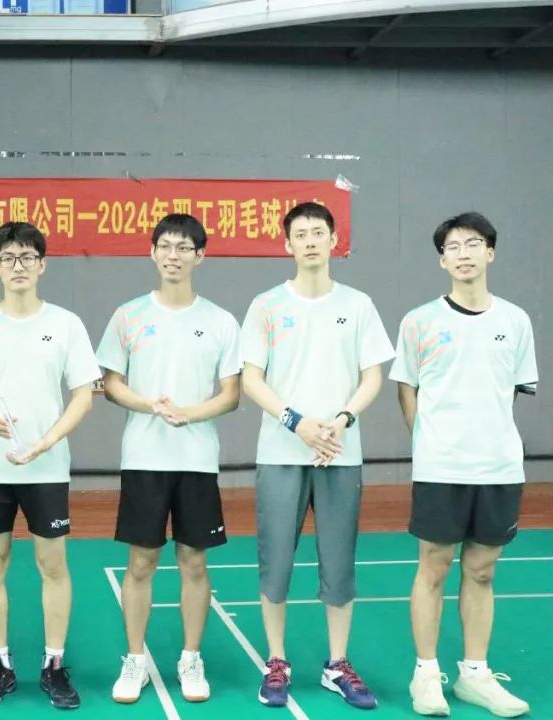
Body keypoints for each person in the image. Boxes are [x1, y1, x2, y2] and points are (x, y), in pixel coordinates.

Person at [240, 202, 394, 709]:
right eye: (300, 234)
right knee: (276, 562)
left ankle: (337, 664)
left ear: (334, 241)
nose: (310, 241)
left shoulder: (359, 305)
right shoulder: (266, 305)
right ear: (287, 245)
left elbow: (372, 376)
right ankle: (276, 661)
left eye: (318, 232)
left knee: (339, 564)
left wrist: (342, 419)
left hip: (339, 453)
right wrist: (297, 423)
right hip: (281, 452)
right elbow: (252, 379)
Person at [0, 221, 101, 710]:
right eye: (8, 258)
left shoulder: (66, 324)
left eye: (27, 257)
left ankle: (54, 664)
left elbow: (84, 395)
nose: (18, 266)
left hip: (47, 468)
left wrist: (47, 441)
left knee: (53, 563)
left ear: (42, 265)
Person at [391, 212, 536, 718]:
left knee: (482, 571)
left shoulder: (515, 321)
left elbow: (509, 393)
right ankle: (426, 674)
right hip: (440, 468)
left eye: (473, 244)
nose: (464, 253)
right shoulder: (419, 321)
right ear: (442, 260)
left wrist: (486, 438)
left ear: (490, 252)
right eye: (452, 247)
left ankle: (474, 674)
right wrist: (430, 441)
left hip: (498, 468)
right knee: (433, 567)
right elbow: (406, 388)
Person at [96, 214, 241, 704]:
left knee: (194, 562)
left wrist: (189, 413)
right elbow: (111, 383)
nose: (173, 255)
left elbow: (231, 394)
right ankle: (134, 659)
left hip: (197, 460)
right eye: (165, 246)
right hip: (144, 458)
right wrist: (150, 405)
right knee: (140, 562)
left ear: (200, 255)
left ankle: (191, 659)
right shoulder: (128, 316)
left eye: (183, 247)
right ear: (152, 252)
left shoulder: (220, 321)